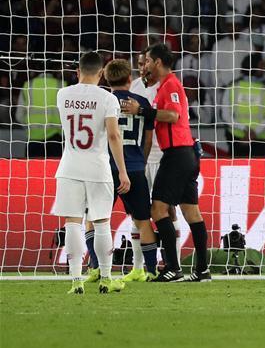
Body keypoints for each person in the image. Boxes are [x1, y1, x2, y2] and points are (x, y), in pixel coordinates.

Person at [122, 44, 208, 282]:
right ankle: (202, 270)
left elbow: (172, 116)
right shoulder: (163, 86)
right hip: (186, 154)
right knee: (192, 213)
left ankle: (173, 267)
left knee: (158, 210)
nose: (145, 65)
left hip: (177, 154)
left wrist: (142, 110)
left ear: (157, 62)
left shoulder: (170, 84)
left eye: (147, 60)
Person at [52, 52, 130, 295]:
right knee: (102, 223)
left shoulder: (62, 94)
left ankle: (76, 281)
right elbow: (114, 136)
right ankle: (106, 279)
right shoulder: (108, 98)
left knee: (73, 222)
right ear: (100, 74)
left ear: (78, 71)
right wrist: (123, 172)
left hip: (70, 167)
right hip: (98, 168)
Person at [102, 59, 158, 282]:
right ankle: (152, 270)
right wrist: (140, 161)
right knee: (143, 220)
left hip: (106, 168)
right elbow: (148, 139)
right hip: (134, 168)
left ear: (106, 79)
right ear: (129, 79)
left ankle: (98, 268)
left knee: (98, 219)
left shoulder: (104, 101)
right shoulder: (142, 102)